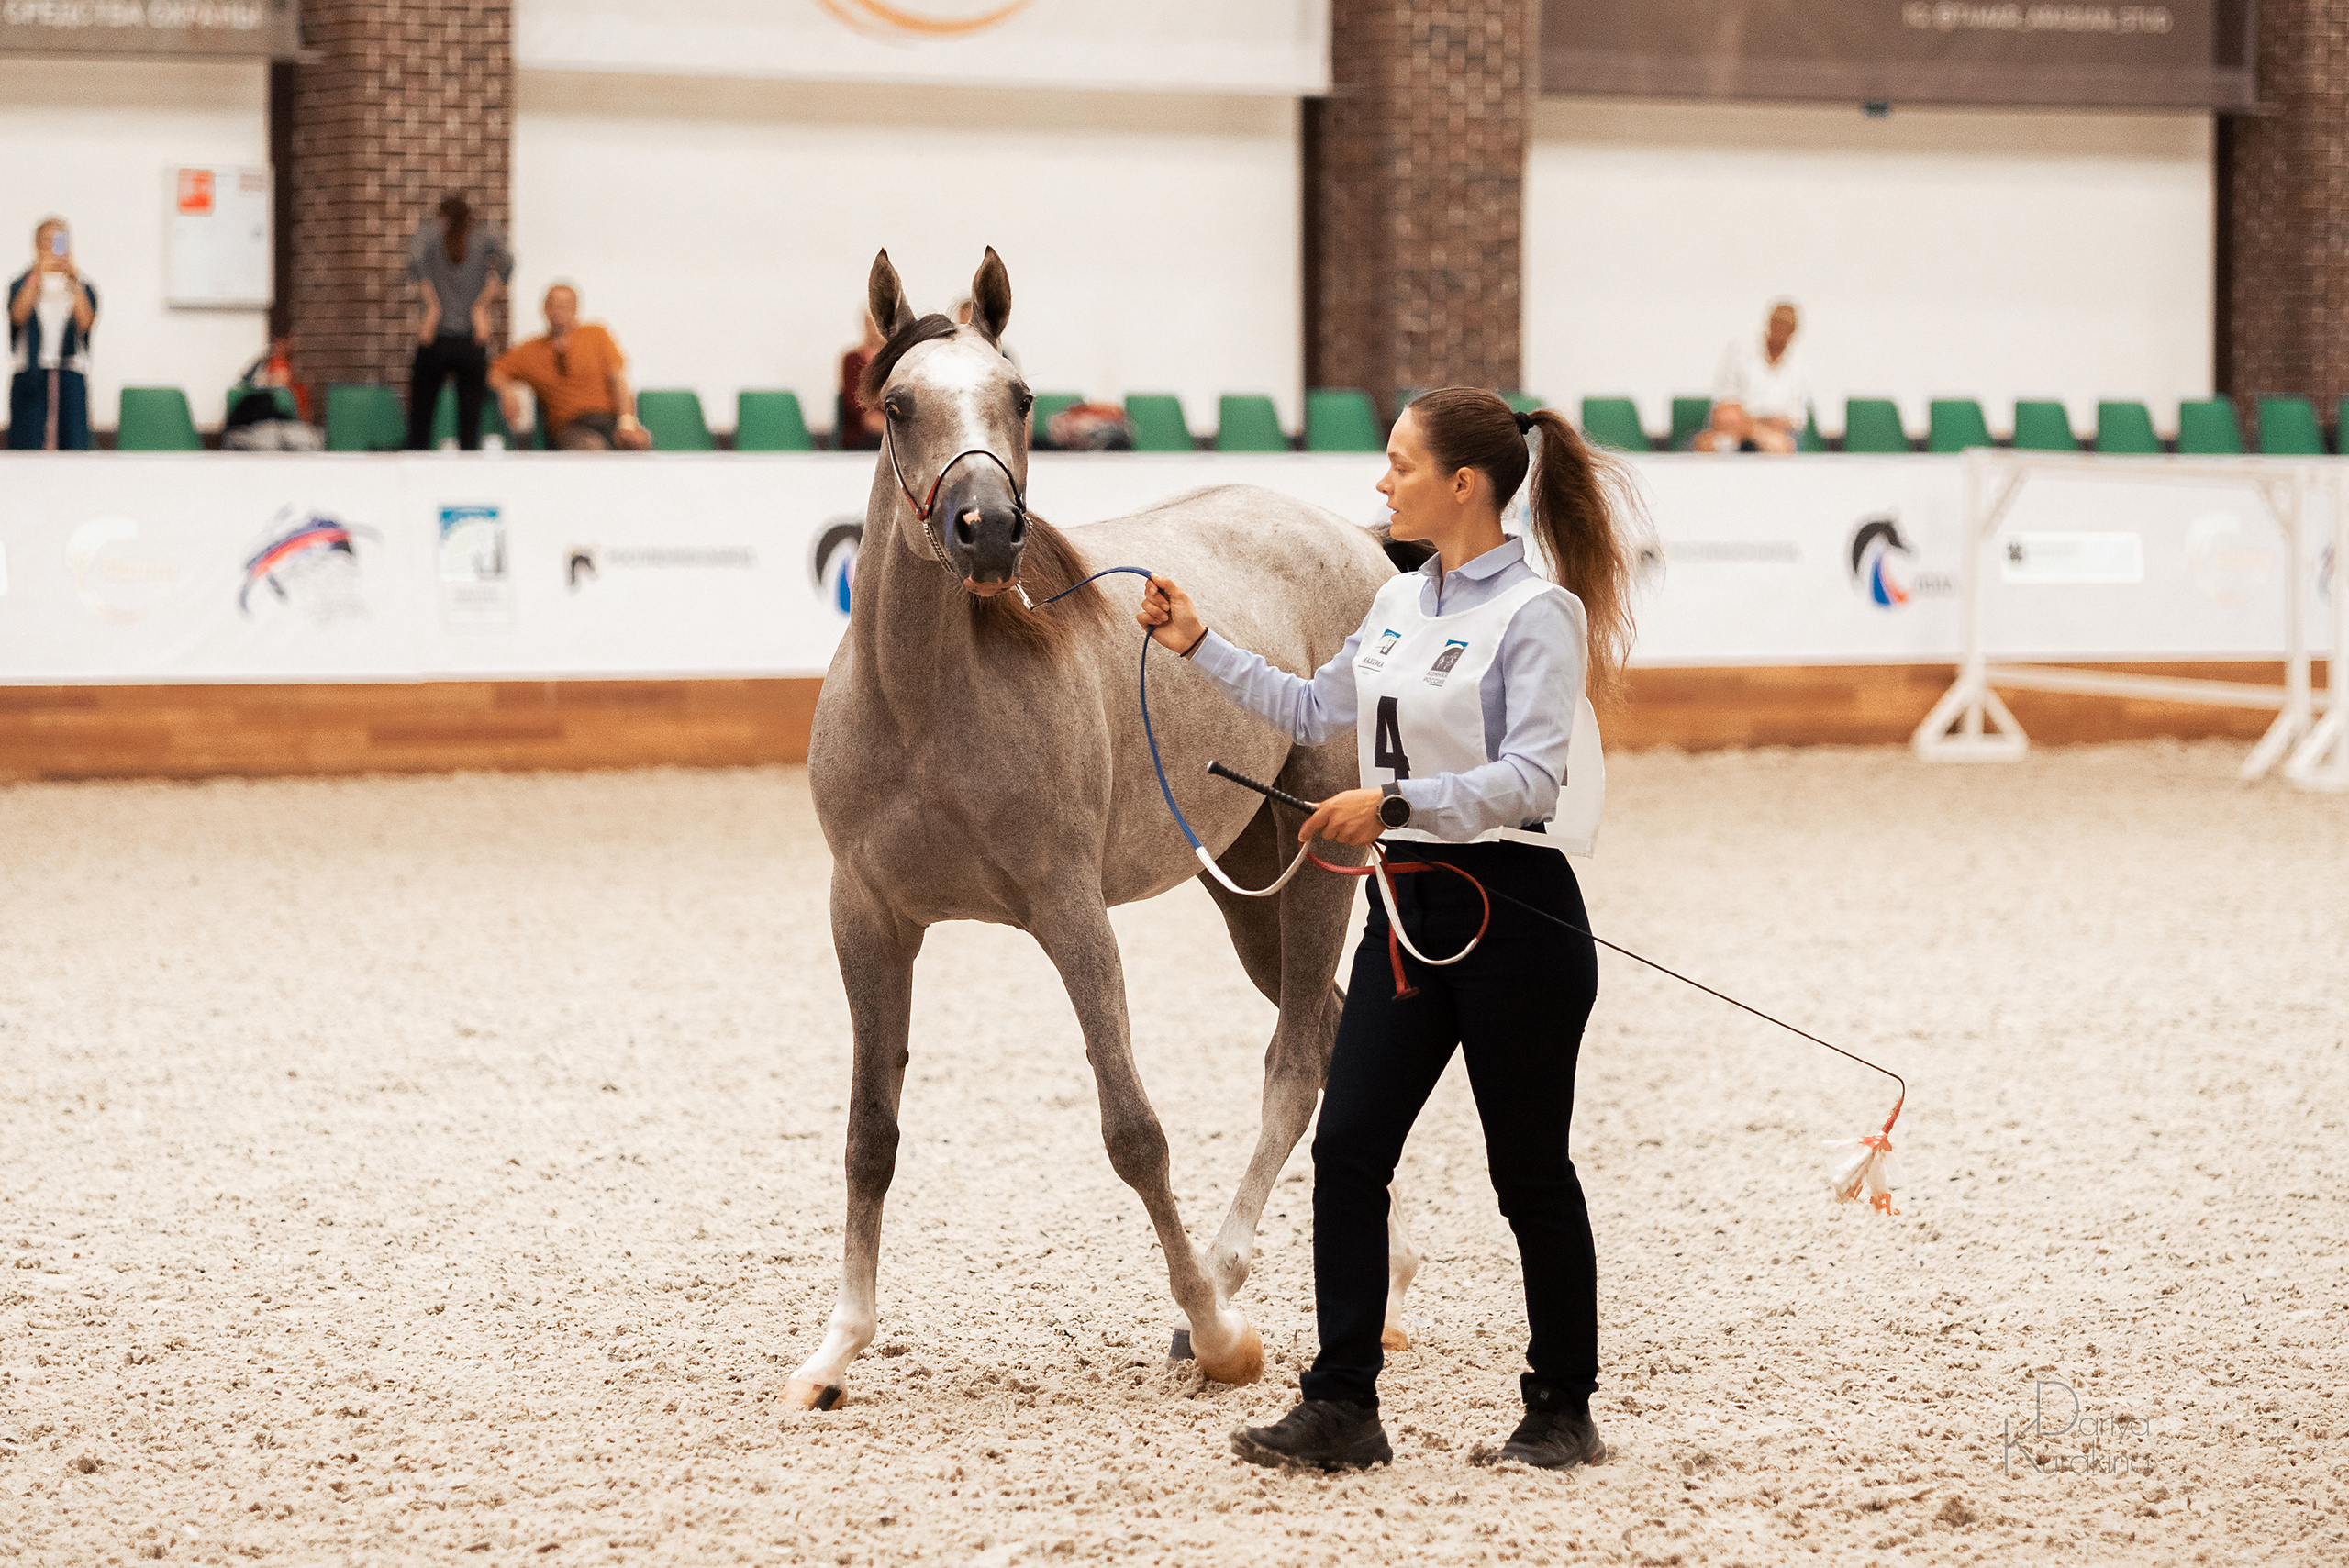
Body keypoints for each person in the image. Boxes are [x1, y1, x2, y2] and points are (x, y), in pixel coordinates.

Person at [1138, 387, 1638, 1473]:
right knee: (1349, 1148)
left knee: (1529, 1171)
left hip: (1516, 917)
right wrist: (1197, 642)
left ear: (1464, 484)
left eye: (1400, 464)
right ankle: (1344, 1404)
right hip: (1405, 913)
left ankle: (1561, 1405)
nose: (1381, 482)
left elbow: (1531, 777)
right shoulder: (1397, 601)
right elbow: (1317, 707)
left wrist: (1394, 807)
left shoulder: (1536, 614)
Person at [406, 193, 512, 451]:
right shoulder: (484, 236)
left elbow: (413, 261)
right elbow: (508, 262)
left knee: (421, 420)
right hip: (472, 339)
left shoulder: (430, 233)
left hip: (435, 337)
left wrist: (432, 306)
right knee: (470, 425)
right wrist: (481, 306)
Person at [489, 284, 650, 450]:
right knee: (592, 449)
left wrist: (626, 422)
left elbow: (619, 378)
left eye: (564, 305)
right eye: (553, 305)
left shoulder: (596, 334)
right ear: (544, 308)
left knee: (640, 443)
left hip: (610, 421)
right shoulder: (529, 351)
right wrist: (505, 390)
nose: (558, 311)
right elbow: (493, 372)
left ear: (575, 309)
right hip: (571, 428)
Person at [8, 217, 99, 450]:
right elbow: (17, 315)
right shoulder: (22, 283)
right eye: (47, 242)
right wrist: (37, 274)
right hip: (31, 371)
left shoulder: (82, 285)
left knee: (73, 441)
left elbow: (86, 322)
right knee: (27, 442)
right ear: (37, 245)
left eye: (59, 242)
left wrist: (72, 279)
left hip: (69, 371)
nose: (53, 248)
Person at [1694, 300, 1808, 453]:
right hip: (1735, 429)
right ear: (1769, 323)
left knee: (1781, 446)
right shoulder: (1739, 351)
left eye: (1787, 326)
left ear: (1794, 331)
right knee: (1706, 444)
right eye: (1777, 323)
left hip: (1774, 434)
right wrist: (1749, 426)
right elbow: (1726, 407)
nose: (1780, 330)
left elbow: (1795, 419)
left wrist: (1758, 427)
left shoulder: (1799, 364)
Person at [837, 312, 886, 451]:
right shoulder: (852, 358)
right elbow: (854, 402)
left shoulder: (897, 358)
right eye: (873, 323)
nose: (877, 329)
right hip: (861, 431)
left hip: (887, 423)